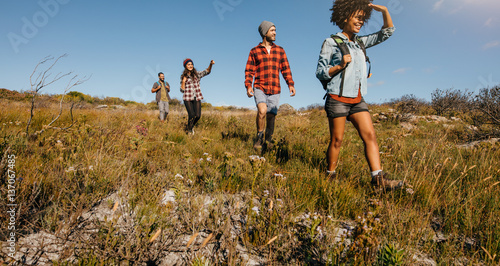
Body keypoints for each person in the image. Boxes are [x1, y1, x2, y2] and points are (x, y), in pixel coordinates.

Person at [315, 0, 403, 190]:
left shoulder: (361, 43)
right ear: (345, 17)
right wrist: (339, 66)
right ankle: (329, 177)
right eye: (357, 17)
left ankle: (378, 180)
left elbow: (387, 32)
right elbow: (320, 71)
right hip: (337, 98)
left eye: (363, 19)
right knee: (337, 140)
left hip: (357, 99)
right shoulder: (331, 42)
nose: (361, 22)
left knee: (370, 135)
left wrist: (384, 10)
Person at [245, 20, 296, 150]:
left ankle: (268, 139)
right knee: (262, 111)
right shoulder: (254, 51)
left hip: (275, 88)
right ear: (264, 32)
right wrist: (248, 86)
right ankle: (259, 137)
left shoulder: (280, 50)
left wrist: (290, 84)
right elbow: (249, 70)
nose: (275, 33)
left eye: (275, 30)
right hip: (259, 86)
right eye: (272, 30)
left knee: (271, 115)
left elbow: (285, 68)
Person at [180, 58, 214, 134]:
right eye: (188, 64)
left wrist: (210, 64)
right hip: (187, 98)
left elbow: (207, 71)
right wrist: (183, 81)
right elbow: (182, 90)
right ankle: (189, 130)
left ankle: (189, 127)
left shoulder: (196, 74)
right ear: (185, 66)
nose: (190, 65)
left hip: (197, 96)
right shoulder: (183, 76)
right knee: (191, 114)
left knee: (198, 116)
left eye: (191, 64)